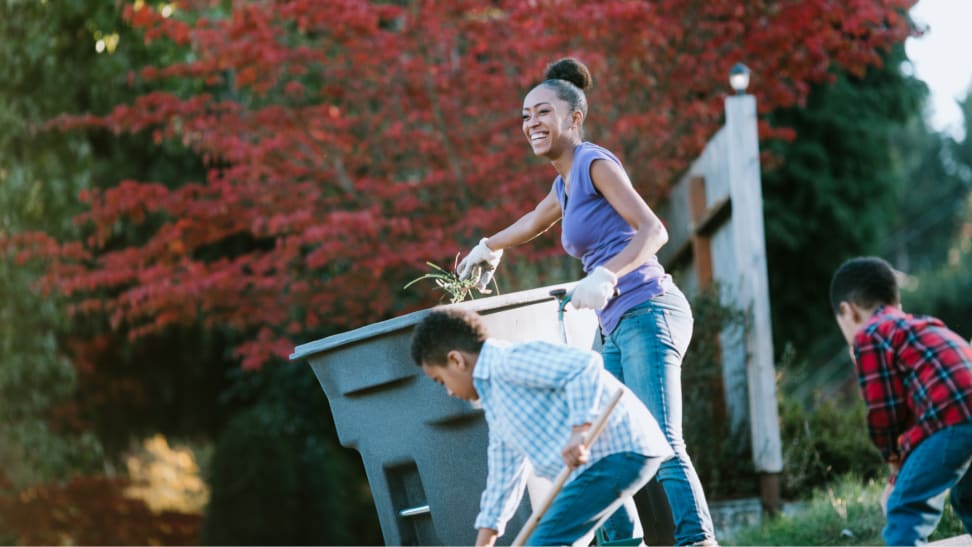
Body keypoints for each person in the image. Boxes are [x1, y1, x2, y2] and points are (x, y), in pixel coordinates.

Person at [456, 57, 716, 545]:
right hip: (615, 325)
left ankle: (698, 540)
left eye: (543, 113)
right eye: (525, 116)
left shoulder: (594, 162)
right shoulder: (563, 183)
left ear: (574, 118)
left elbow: (653, 230)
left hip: (649, 308)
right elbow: (534, 221)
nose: (531, 123)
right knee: (601, 444)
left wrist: (606, 273)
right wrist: (488, 245)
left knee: (663, 439)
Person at [410, 307, 673, 547]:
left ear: (456, 361)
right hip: (601, 466)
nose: (448, 392)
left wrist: (579, 430)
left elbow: (583, 366)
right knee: (622, 542)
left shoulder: (508, 362)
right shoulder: (495, 406)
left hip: (617, 449)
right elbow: (503, 477)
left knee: (544, 542)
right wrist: (485, 541)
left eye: (440, 380)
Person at [830, 256, 972, 545]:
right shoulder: (920, 326)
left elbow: (885, 414)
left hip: (956, 421)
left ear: (848, 311)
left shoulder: (870, 335)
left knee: (905, 507)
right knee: (967, 497)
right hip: (960, 412)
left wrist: (895, 473)